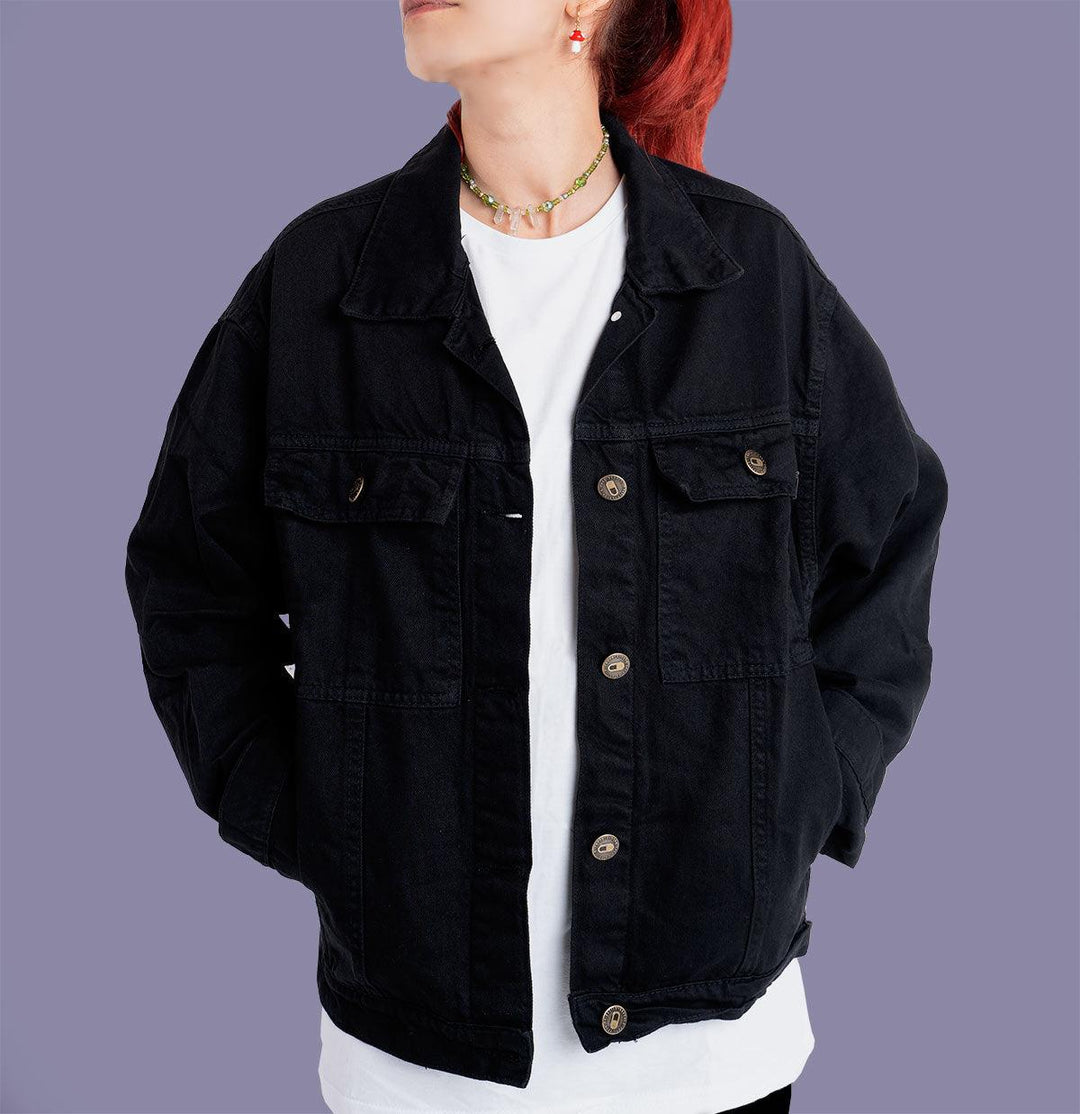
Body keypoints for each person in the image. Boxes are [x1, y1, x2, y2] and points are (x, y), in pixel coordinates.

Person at [124, 1, 948, 1112]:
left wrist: (804, 794)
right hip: (416, 1066)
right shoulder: (322, 282)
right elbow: (188, 583)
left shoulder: (752, 277)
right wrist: (313, 816)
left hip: (710, 1056)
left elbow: (889, 543)